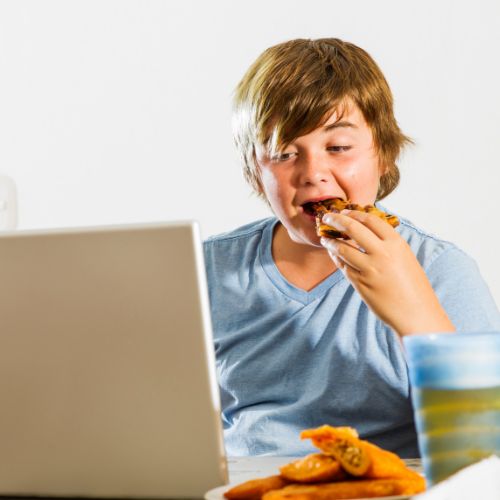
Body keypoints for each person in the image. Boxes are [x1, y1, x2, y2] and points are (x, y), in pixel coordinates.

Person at [203, 38, 500, 457]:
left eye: (338, 148)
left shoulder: (441, 271)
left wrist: (415, 313)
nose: (313, 173)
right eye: (284, 152)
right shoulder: (208, 271)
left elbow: (482, 459)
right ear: (255, 168)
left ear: (384, 154)